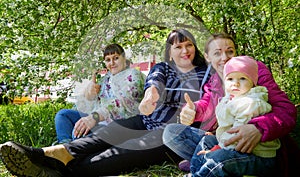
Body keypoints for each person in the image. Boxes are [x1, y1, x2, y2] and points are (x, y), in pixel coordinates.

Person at [0, 29, 210, 177]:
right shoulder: (163, 67)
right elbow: (154, 81)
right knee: (103, 137)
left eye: (188, 45)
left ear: (195, 48)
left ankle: (57, 170)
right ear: (170, 52)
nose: (184, 50)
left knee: (123, 151)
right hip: (146, 120)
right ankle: (43, 154)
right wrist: (150, 95)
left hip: (171, 133)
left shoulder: (204, 72)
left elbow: (211, 99)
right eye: (178, 46)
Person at [162, 33, 297, 176]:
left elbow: (287, 110)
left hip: (259, 148)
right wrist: (193, 110)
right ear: (208, 57)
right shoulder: (214, 81)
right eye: (217, 53)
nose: (225, 57)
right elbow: (206, 104)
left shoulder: (254, 70)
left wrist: (259, 128)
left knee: (218, 157)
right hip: (227, 140)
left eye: (230, 51)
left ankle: (210, 165)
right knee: (172, 132)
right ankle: (206, 164)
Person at [189, 55, 280, 176]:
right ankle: (196, 172)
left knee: (219, 158)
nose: (235, 83)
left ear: (252, 82)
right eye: (230, 79)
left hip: (257, 156)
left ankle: (203, 172)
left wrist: (218, 148)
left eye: (242, 78)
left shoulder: (250, 102)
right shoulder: (230, 98)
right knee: (206, 140)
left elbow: (237, 137)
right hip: (236, 148)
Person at [54, 43, 146, 144]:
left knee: (80, 136)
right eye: (108, 60)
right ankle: (64, 145)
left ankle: (71, 148)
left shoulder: (133, 75)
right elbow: (90, 103)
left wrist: (95, 117)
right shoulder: (105, 79)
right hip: (96, 120)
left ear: (124, 58)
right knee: (63, 115)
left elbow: (124, 102)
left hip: (117, 124)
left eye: (116, 58)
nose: (112, 63)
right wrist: (89, 94)